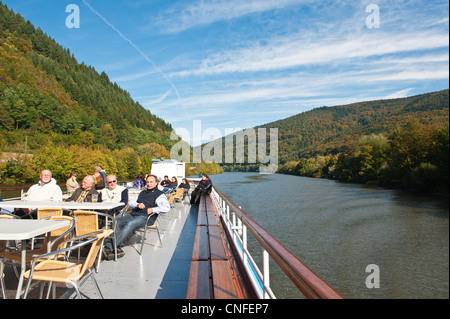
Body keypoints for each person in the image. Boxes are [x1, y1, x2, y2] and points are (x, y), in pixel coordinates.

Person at [103, 174, 170, 260]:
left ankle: (109, 247)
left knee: (130, 224)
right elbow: (130, 203)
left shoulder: (159, 195)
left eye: (151, 182)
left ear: (156, 183)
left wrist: (153, 209)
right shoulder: (142, 192)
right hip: (134, 214)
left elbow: (166, 208)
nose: (149, 184)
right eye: (147, 182)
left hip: (146, 217)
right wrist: (137, 204)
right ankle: (117, 246)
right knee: (116, 221)